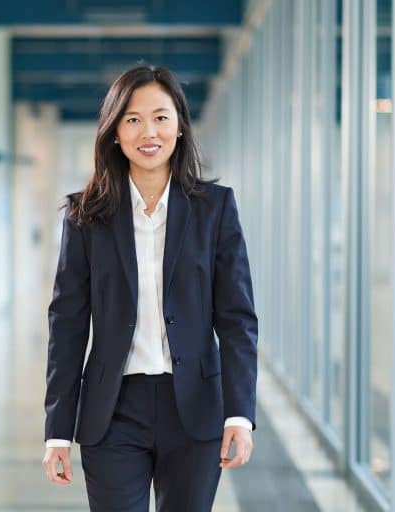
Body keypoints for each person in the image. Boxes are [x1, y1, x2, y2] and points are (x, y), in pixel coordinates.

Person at [42, 65, 258, 512]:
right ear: (115, 132)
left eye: (161, 117)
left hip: (195, 409)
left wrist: (240, 414)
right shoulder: (86, 216)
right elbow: (66, 325)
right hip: (112, 411)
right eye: (133, 119)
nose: (148, 132)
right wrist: (57, 430)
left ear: (179, 126)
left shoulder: (214, 210)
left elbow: (237, 319)